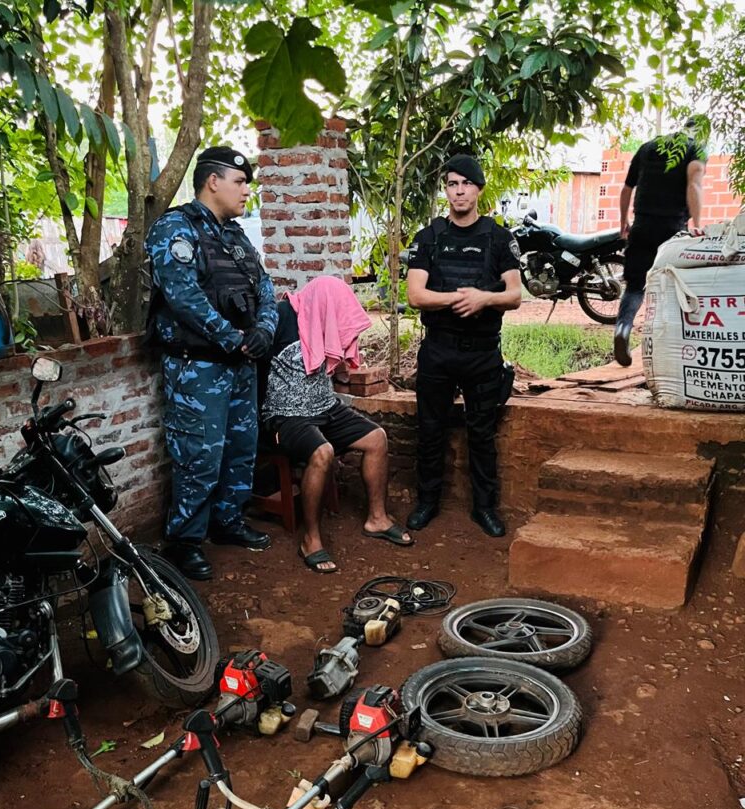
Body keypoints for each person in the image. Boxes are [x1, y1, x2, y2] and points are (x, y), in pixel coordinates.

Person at [145, 146, 278, 581]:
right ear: (213, 182)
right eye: (240, 183)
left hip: (240, 363)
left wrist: (263, 331)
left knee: (242, 449)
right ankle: (184, 540)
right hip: (197, 367)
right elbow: (183, 297)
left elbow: (266, 289)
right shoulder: (174, 228)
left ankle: (227, 522)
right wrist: (232, 339)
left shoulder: (236, 236)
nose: (246, 192)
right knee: (199, 455)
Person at [261, 276, 413, 573]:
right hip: (286, 415)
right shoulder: (280, 317)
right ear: (322, 305)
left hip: (325, 407)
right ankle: (311, 540)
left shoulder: (323, 320)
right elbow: (253, 367)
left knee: (377, 438)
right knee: (323, 452)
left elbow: (338, 358)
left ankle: (377, 519)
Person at [405, 154, 522, 538]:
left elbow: (515, 294)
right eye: (452, 183)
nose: (459, 191)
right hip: (439, 349)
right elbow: (416, 295)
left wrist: (484, 300)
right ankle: (427, 502)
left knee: (481, 434)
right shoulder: (430, 237)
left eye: (466, 184)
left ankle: (484, 508)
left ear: (478, 189)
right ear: (447, 190)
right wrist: (461, 298)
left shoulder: (499, 237)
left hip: (483, 352)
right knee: (430, 430)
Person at [613, 116, 707, 366]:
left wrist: (624, 221)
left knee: (635, 286)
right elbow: (694, 185)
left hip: (642, 225)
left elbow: (626, 189)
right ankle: (670, 347)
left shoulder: (648, 147)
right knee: (673, 287)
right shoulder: (695, 148)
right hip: (673, 230)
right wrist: (697, 224)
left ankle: (623, 328)